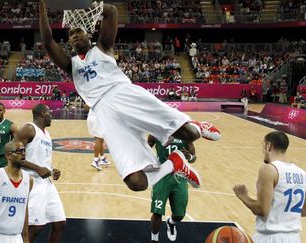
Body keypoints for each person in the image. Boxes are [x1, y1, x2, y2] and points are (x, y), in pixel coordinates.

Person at [39, 2, 221, 191]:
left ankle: (199, 125)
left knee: (190, 134)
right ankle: (175, 164)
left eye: (79, 31)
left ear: (89, 34)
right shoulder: (71, 65)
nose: (75, 35)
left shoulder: (103, 47)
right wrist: (42, 4)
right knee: (136, 182)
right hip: (105, 114)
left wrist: (86, 4)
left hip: (123, 94)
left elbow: (111, 11)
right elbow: (47, 42)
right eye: (71, 34)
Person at [233, 131, 306, 243]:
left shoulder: (268, 169)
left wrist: (243, 196)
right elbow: (304, 210)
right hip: (294, 238)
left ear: (269, 146)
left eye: (263, 146)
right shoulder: (302, 173)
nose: (263, 151)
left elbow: (261, 209)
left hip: (270, 238)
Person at [15, 104, 66, 243]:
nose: (52, 116)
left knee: (59, 223)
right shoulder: (29, 129)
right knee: (35, 227)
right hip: (33, 184)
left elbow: (41, 158)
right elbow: (13, 155)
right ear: (43, 113)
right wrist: (38, 168)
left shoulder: (46, 134)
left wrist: (52, 169)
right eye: (50, 113)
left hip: (47, 184)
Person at [148, 135, 196, 242]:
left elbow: (194, 157)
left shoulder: (186, 134)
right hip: (161, 176)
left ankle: (171, 223)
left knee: (179, 215)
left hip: (180, 176)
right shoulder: (156, 133)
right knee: (157, 212)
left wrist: (190, 157)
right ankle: (154, 239)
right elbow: (146, 148)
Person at [84, 103, 111, 171]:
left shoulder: (92, 96)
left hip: (91, 117)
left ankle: (102, 158)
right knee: (98, 138)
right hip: (96, 118)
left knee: (101, 138)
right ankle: (95, 160)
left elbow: (85, 107)